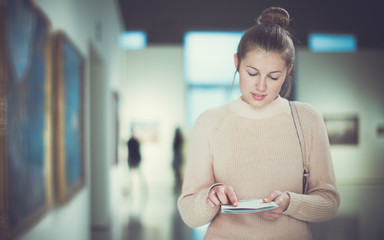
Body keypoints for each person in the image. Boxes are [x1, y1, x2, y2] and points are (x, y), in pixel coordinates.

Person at [177, 6, 340, 240]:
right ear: (236, 62)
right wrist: (211, 196)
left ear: (288, 71)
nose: (261, 86)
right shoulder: (209, 122)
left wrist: (290, 202)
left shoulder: (307, 119)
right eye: (252, 73)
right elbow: (189, 214)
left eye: (274, 77)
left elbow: (329, 202)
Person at [172, 127, 184, 192]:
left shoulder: (178, 140)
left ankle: (178, 186)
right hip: (177, 158)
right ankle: (178, 186)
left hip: (177, 158)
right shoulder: (179, 140)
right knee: (177, 174)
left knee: (178, 174)